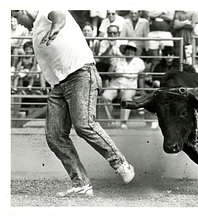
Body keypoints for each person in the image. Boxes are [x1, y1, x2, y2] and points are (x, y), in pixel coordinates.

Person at [11, 10, 135, 197]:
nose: (15, 20)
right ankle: (81, 183)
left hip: (80, 74)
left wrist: (56, 28)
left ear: (23, 9)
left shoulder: (46, 9)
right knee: (54, 135)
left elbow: (59, 15)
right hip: (58, 84)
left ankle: (121, 163)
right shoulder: (34, 29)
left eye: (15, 15)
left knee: (84, 124)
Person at [102, 41, 145, 129]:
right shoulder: (118, 60)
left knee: (126, 98)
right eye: (128, 49)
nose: (129, 52)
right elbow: (109, 73)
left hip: (129, 86)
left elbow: (141, 77)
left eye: (132, 50)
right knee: (105, 96)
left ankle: (123, 122)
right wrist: (116, 74)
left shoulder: (139, 62)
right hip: (115, 84)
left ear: (135, 51)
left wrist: (142, 90)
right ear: (124, 51)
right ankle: (111, 121)